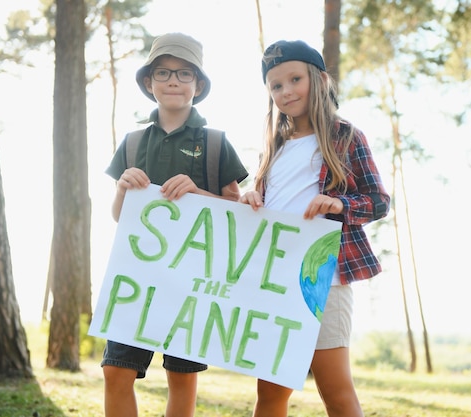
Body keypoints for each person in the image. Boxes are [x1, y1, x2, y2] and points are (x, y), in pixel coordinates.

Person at [239, 40, 390, 417]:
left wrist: (340, 204)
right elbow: (267, 201)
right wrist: (249, 196)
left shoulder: (345, 137)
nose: (286, 91)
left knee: (336, 392)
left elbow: (378, 200)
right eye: (276, 85)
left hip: (325, 278)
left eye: (294, 79)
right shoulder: (272, 147)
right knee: (271, 395)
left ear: (320, 80)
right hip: (274, 278)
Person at [101, 32, 249, 417]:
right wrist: (122, 188)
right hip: (136, 278)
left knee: (181, 378)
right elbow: (120, 218)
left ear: (198, 85)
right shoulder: (132, 142)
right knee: (116, 371)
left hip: (193, 282)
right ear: (149, 83)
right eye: (163, 72)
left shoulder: (216, 143)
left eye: (184, 74)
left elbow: (236, 214)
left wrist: (200, 192)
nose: (172, 81)